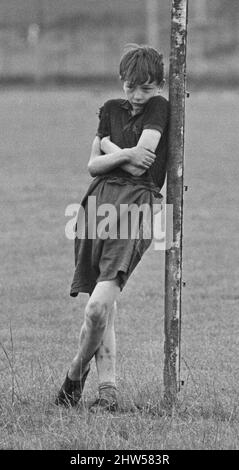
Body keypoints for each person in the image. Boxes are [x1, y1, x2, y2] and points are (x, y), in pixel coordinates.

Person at [55, 44, 169, 412]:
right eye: (131, 87)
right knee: (103, 306)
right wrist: (115, 149)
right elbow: (92, 166)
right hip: (98, 203)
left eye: (146, 88)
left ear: (158, 86)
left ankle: (75, 373)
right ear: (122, 82)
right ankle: (107, 392)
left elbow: (141, 166)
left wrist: (108, 149)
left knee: (97, 308)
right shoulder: (109, 109)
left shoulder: (159, 107)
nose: (137, 97)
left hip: (138, 204)